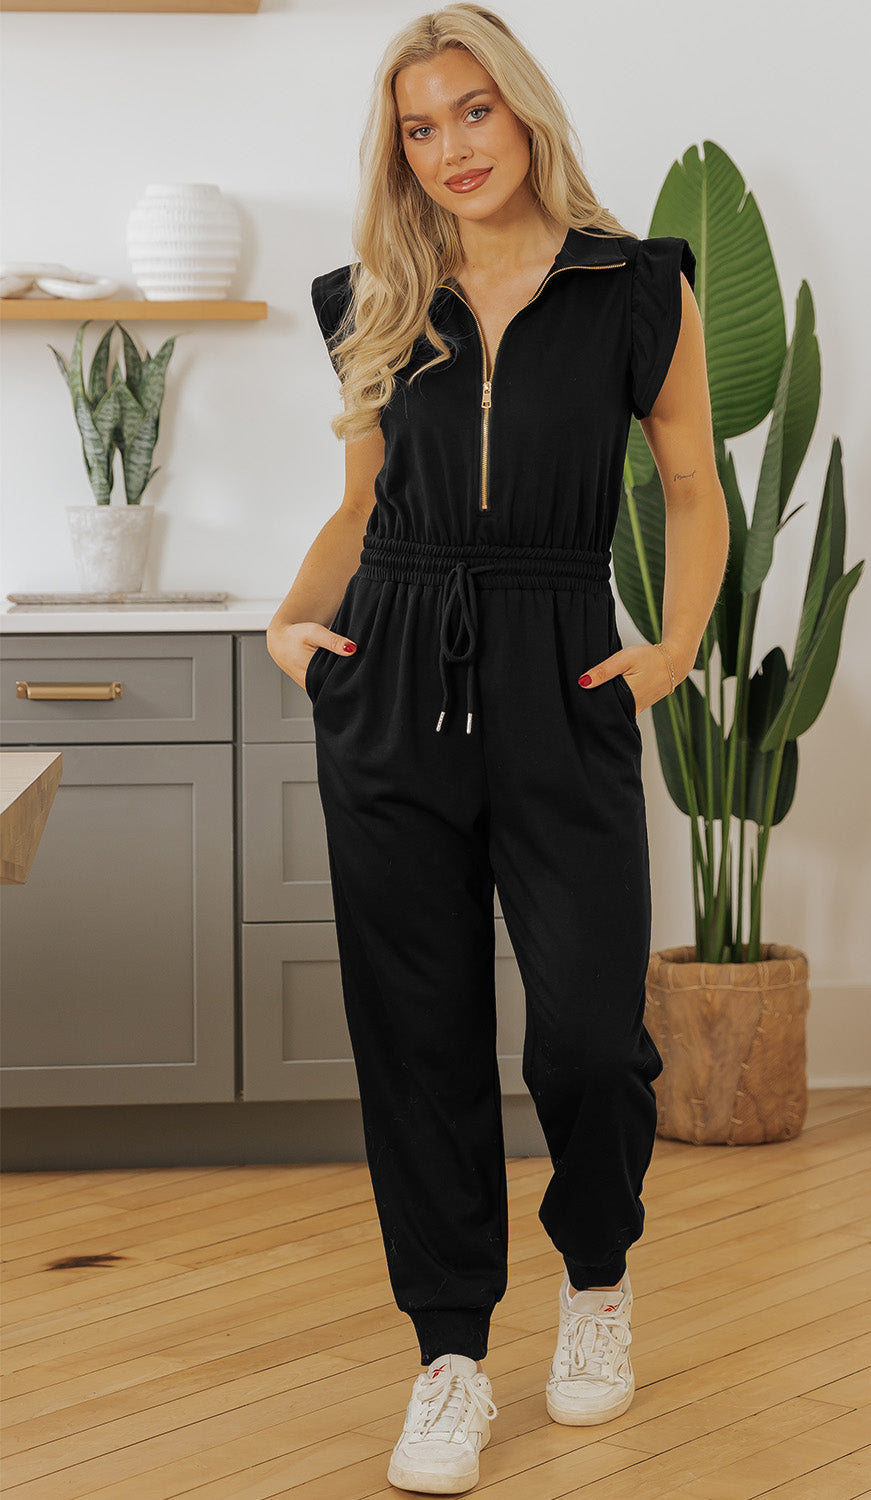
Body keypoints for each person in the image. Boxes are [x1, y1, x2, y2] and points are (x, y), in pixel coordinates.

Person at [267, 4, 729, 1493]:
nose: (452, 148)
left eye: (473, 111)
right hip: (392, 673)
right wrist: (292, 627)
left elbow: (691, 486)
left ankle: (596, 1278)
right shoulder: (372, 299)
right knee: (416, 1036)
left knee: (589, 1032)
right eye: (420, 128)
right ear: (395, 150)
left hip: (559, 664)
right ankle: (449, 1356)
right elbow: (361, 506)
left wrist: (670, 650)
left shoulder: (636, 286)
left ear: (523, 111)